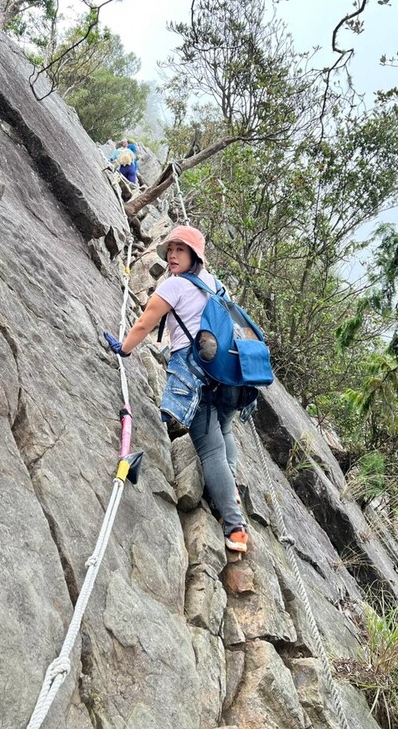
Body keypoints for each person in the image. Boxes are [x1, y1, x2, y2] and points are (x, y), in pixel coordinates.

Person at [104, 226, 253, 553]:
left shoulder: (175, 285)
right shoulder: (217, 285)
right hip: (228, 372)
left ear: (194, 256)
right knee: (224, 429)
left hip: (197, 371)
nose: (172, 255)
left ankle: (235, 526)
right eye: (170, 250)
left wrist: (124, 348)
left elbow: (146, 322)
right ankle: (229, 487)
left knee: (210, 447)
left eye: (180, 250)